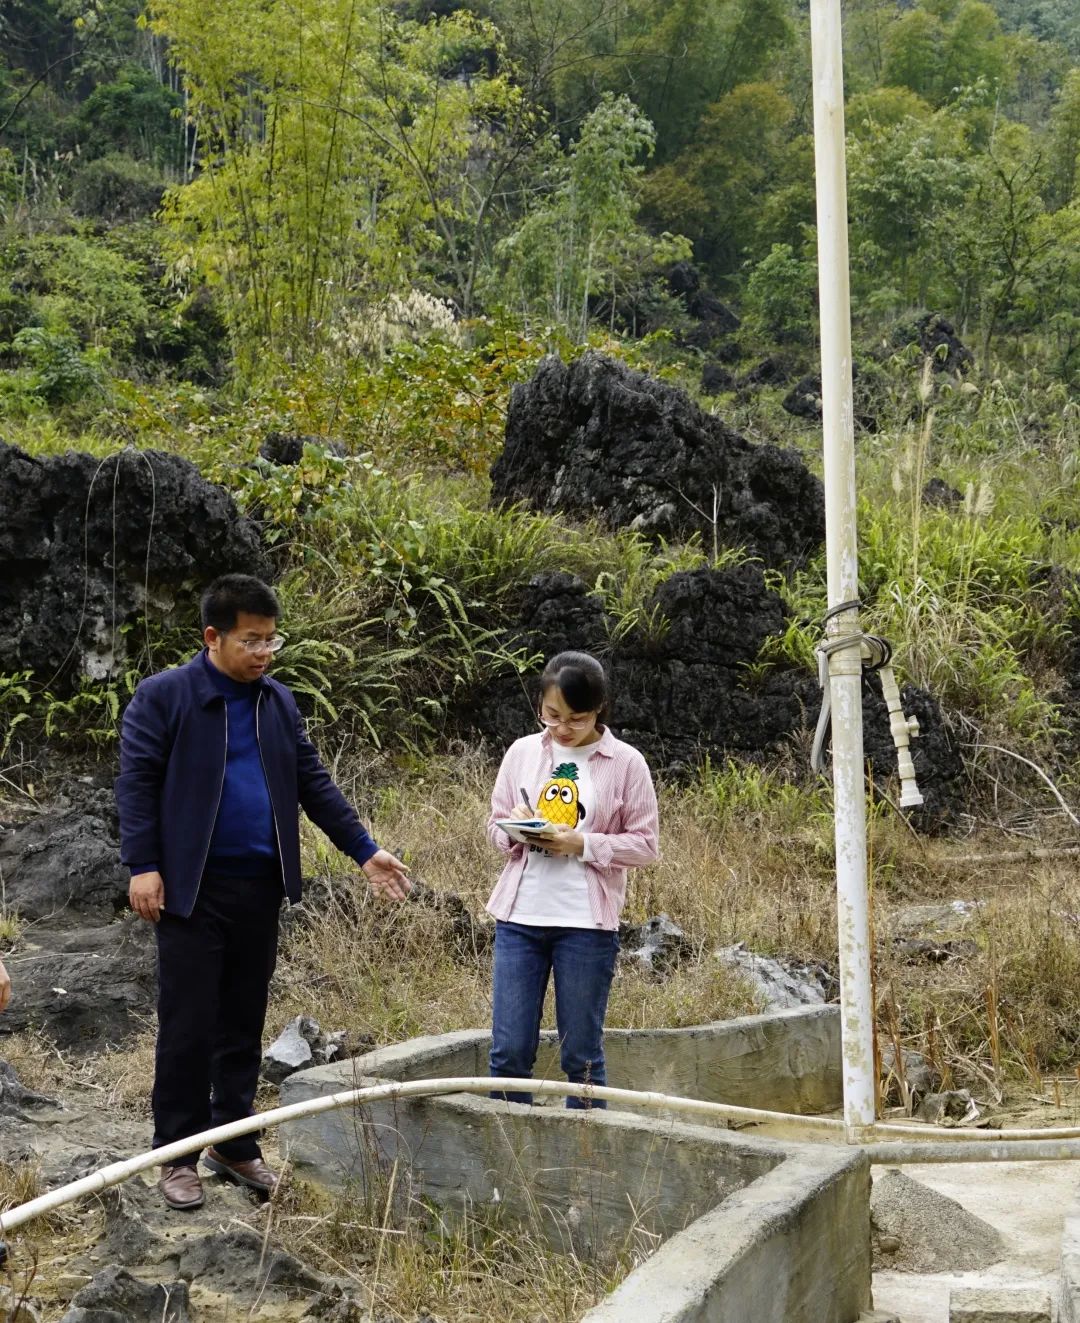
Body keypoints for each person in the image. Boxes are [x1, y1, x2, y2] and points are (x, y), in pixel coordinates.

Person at [116, 573, 410, 1211]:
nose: (264, 653)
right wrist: (143, 864)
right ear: (213, 637)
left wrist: (365, 850)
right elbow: (136, 784)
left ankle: (236, 1142)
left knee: (242, 1023)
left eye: (272, 641)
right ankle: (177, 1153)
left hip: (259, 888)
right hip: (190, 892)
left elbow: (313, 782)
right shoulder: (166, 697)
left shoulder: (276, 701)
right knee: (188, 1026)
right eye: (251, 641)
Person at [485, 651, 659, 1108]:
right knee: (507, 1053)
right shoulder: (523, 752)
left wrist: (581, 843)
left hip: (586, 925)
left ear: (599, 708)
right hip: (519, 919)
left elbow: (645, 845)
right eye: (551, 715)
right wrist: (518, 830)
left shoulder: (626, 763)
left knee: (580, 1056)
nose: (561, 728)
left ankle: (586, 1165)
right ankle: (505, 1161)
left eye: (575, 718)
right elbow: (494, 825)